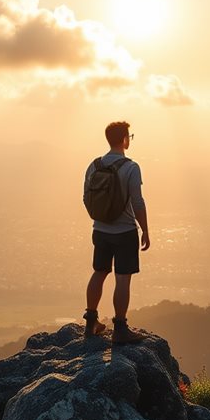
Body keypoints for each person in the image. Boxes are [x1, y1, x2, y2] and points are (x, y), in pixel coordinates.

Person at [83, 121, 150, 344]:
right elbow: (138, 202)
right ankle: (120, 328)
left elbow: (86, 198)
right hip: (124, 232)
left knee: (99, 272)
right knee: (122, 279)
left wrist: (101, 219)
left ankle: (91, 322)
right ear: (124, 140)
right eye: (129, 136)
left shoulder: (94, 165)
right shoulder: (131, 167)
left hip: (100, 230)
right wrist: (145, 231)